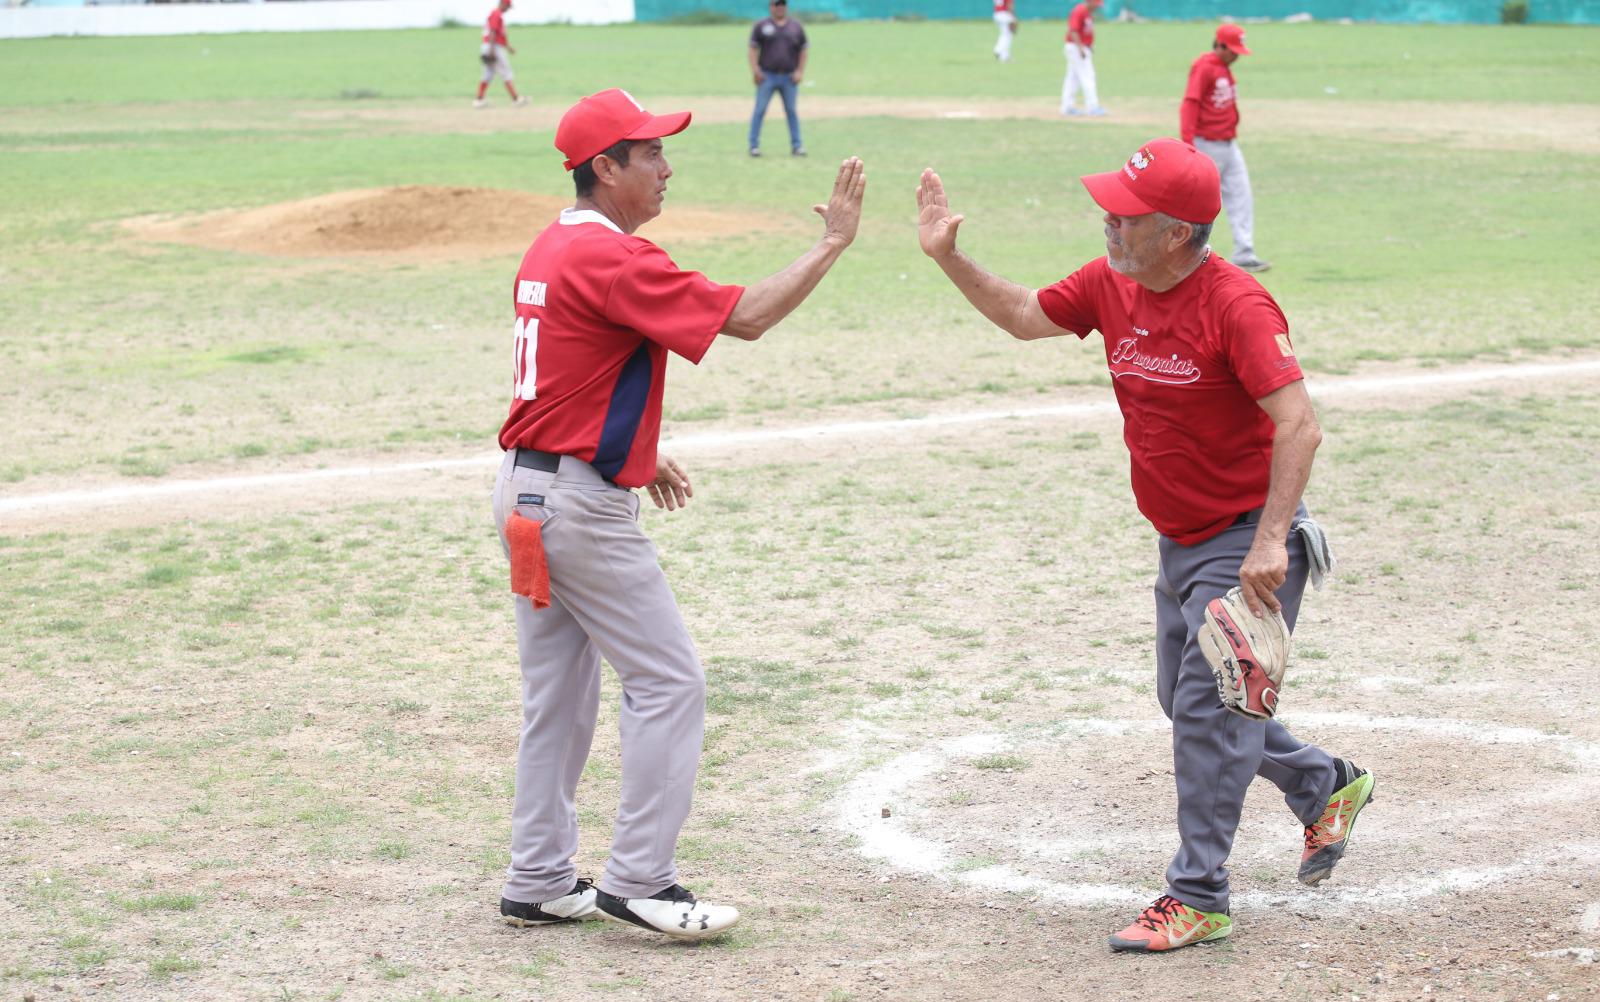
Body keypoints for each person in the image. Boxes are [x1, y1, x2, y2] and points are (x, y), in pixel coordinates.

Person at [915, 138, 1374, 953]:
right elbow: (1026, 317)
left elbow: (1299, 424)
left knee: (1206, 710)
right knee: (1187, 699)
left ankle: (1198, 894)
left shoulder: (1237, 304)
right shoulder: (1111, 283)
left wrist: (1271, 541)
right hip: (1179, 537)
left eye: (1125, 215)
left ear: (1177, 234)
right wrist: (950, 259)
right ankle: (1323, 783)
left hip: (1245, 544)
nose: (1107, 222)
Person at [493, 87, 865, 940]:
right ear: (605, 168)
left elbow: (566, 369)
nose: (666, 166)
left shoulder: (552, 246)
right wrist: (832, 243)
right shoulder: (619, 258)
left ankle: (540, 878)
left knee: (558, 698)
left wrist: (627, 449)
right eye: (649, 152)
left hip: (526, 486)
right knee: (670, 682)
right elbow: (748, 316)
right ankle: (641, 880)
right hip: (577, 509)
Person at [1181, 23, 1267, 271]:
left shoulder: (1224, 68)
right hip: (1206, 144)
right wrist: (1189, 144)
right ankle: (1189, 255)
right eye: (1233, 50)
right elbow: (1190, 103)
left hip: (1228, 144)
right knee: (1201, 202)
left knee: (1242, 196)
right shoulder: (1205, 67)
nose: (1237, 56)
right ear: (1220, 45)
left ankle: (1244, 252)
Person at [748, 0, 808, 158]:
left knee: (791, 111)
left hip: (789, 77)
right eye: (776, 4)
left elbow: (803, 50)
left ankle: (797, 146)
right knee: (759, 111)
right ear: (770, 6)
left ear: (786, 7)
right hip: (767, 76)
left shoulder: (796, 26)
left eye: (782, 4)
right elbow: (753, 49)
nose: (780, 7)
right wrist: (756, 70)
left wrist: (800, 71)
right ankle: (754, 146)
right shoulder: (761, 26)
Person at [474, 0, 528, 109]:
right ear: (502, 3)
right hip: (494, 47)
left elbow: (498, 34)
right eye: (508, 6)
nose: (508, 9)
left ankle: (479, 100)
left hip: (490, 46)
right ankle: (515, 99)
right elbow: (493, 32)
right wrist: (491, 50)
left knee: (488, 73)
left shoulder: (496, 14)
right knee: (506, 72)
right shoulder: (496, 14)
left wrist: (508, 47)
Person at [1062, 0, 1105, 117]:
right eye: (1096, 4)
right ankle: (1092, 107)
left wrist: (1088, 46)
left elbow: (1085, 31)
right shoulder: (1079, 11)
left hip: (1079, 47)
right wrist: (1080, 48)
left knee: (1073, 78)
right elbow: (1073, 30)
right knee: (1088, 76)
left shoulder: (1086, 11)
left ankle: (1067, 107)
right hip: (1076, 47)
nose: (1097, 7)